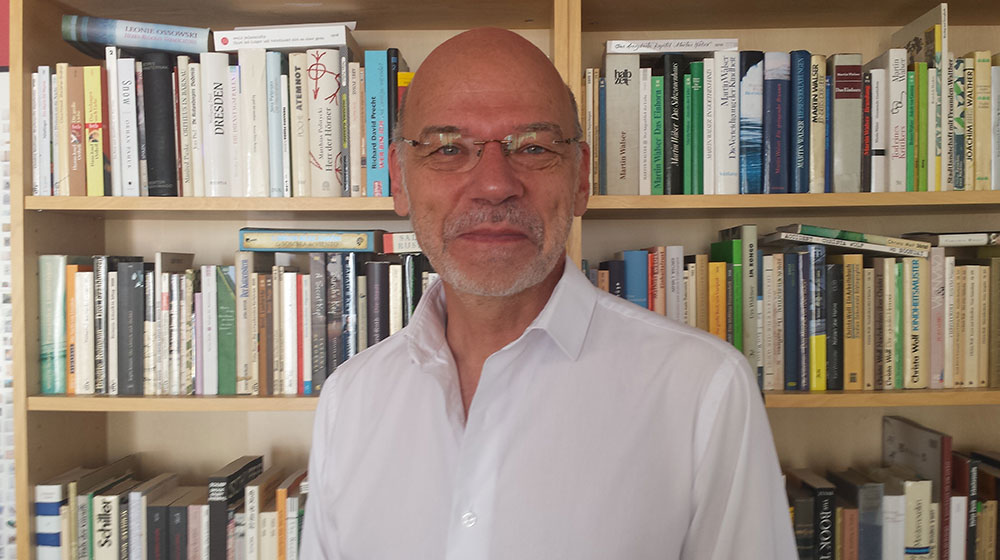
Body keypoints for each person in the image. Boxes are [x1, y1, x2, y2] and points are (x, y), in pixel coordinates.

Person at [300, 28, 797, 559]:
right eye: (448, 148)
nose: (494, 184)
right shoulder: (348, 401)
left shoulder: (705, 392)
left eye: (533, 147)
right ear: (399, 179)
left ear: (580, 177)